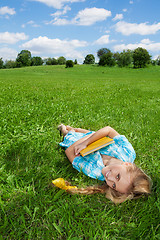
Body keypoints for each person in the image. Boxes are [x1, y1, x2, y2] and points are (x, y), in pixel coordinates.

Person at [57, 124, 152, 204]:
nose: (109, 178)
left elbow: (69, 152)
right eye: (118, 176)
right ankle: (77, 130)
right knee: (85, 132)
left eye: (114, 185)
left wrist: (91, 138)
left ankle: (67, 131)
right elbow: (109, 130)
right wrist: (87, 141)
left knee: (68, 134)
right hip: (90, 136)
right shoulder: (128, 152)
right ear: (127, 165)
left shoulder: (95, 172)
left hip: (74, 142)